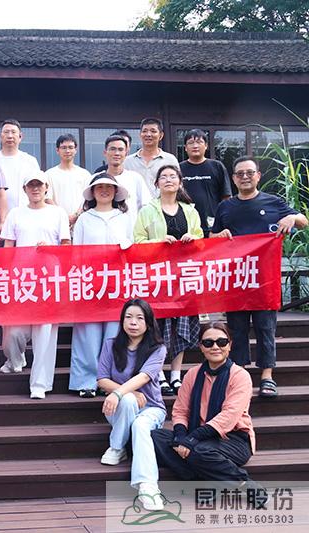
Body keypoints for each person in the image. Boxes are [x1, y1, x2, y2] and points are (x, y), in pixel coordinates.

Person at [211, 155, 308, 398]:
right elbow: (212, 237)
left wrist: (291, 217)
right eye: (240, 173)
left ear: (258, 176)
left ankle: (267, 376)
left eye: (249, 173)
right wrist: (219, 236)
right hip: (235, 278)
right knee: (237, 329)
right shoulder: (225, 207)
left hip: (265, 278)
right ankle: (240, 376)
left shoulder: (274, 202)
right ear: (234, 179)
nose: (245, 177)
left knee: (266, 327)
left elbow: (303, 222)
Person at [151, 322, 257, 486]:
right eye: (208, 343)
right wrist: (181, 436)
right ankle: (202, 480)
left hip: (232, 439)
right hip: (195, 434)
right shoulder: (192, 374)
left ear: (230, 345)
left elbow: (228, 417)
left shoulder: (240, 376)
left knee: (200, 450)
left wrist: (192, 439)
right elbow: (180, 411)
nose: (215, 347)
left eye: (221, 342)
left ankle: (244, 484)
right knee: (154, 437)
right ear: (201, 347)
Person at [134, 165, 203, 396]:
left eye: (173, 176)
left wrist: (193, 238)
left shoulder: (190, 211)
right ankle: (159, 374)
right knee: (159, 325)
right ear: (157, 184)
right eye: (163, 177)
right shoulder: (147, 210)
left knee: (180, 325)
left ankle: (175, 375)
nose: (168, 180)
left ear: (180, 182)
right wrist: (159, 242)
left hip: (184, 276)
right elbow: (137, 241)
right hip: (157, 277)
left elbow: (202, 240)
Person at [0, 171, 70, 398]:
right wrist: (7, 276)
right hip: (21, 280)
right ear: (25, 190)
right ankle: (15, 359)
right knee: (13, 333)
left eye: (39, 185)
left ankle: (39, 384)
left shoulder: (58, 213)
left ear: (46, 187)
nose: (35, 189)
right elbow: (8, 247)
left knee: (45, 334)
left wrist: (51, 249)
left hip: (49, 280)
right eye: (31, 185)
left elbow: (66, 246)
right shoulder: (15, 213)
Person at [97, 298, 167, 511]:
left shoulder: (158, 349)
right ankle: (117, 448)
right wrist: (126, 393)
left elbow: (145, 377)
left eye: (139, 318)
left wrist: (118, 392)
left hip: (151, 408)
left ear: (148, 323)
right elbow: (101, 379)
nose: (133, 322)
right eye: (128, 317)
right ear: (122, 321)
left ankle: (148, 487)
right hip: (120, 409)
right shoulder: (110, 345)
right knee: (127, 400)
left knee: (140, 425)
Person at [71, 174, 133, 398]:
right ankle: (85, 382)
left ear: (116, 192)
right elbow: (76, 253)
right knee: (87, 334)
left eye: (109, 187)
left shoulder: (124, 218)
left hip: (117, 283)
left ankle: (111, 382)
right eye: (99, 187)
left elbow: (132, 250)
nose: (104, 190)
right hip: (89, 282)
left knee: (114, 334)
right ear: (92, 192)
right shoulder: (84, 219)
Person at [179, 129, 232, 236]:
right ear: (185, 147)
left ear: (206, 146)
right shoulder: (178, 168)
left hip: (213, 224)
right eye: (191, 143)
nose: (195, 146)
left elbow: (226, 197)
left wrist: (224, 220)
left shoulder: (217, 166)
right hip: (186, 226)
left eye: (199, 142)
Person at [0, 119, 41, 212]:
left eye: (13, 132)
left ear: (20, 137)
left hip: (25, 213)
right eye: (6, 132)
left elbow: (38, 188)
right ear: (0, 136)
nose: (10, 136)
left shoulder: (30, 161)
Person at [123, 118, 179, 196]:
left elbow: (178, 186)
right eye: (144, 131)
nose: (148, 134)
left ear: (161, 135)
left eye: (153, 131)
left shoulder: (170, 160)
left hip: (162, 203)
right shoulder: (128, 161)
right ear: (140, 135)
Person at [46, 133, 93, 226]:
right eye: (63, 148)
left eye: (71, 147)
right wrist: (64, 217)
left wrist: (76, 216)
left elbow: (88, 199)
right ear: (57, 150)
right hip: (56, 222)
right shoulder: (49, 174)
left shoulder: (85, 174)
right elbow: (47, 199)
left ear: (76, 150)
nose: (67, 151)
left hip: (81, 222)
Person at [102, 135, 151, 222]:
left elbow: (147, 207)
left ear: (126, 153)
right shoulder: (97, 180)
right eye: (112, 149)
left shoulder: (135, 178)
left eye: (120, 149)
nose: (117, 153)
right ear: (105, 152)